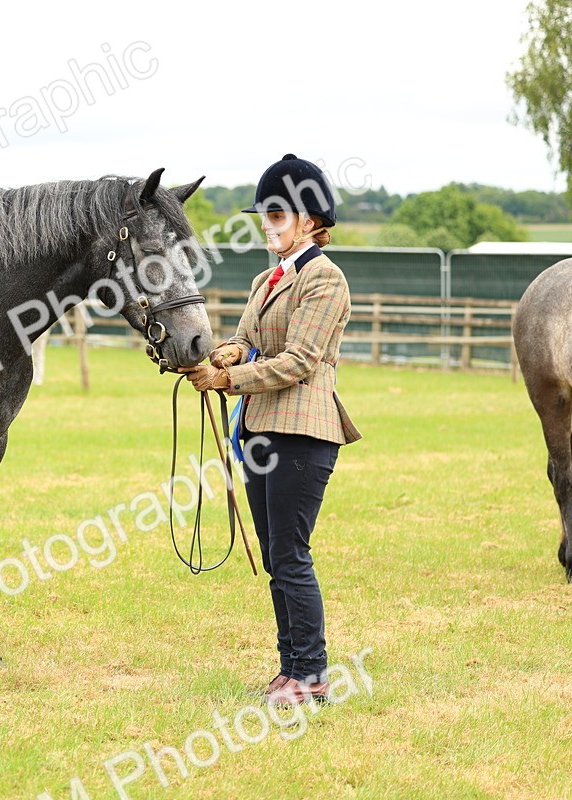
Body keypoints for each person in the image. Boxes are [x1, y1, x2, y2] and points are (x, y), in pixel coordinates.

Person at [178, 154, 362, 705]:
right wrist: (218, 355)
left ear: (309, 221)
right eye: (266, 214)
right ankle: (290, 667)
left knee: (290, 553)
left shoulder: (325, 280)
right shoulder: (268, 277)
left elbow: (300, 360)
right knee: (275, 551)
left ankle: (311, 674)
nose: (268, 224)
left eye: (278, 215)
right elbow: (247, 337)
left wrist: (227, 377)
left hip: (303, 432)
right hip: (260, 428)